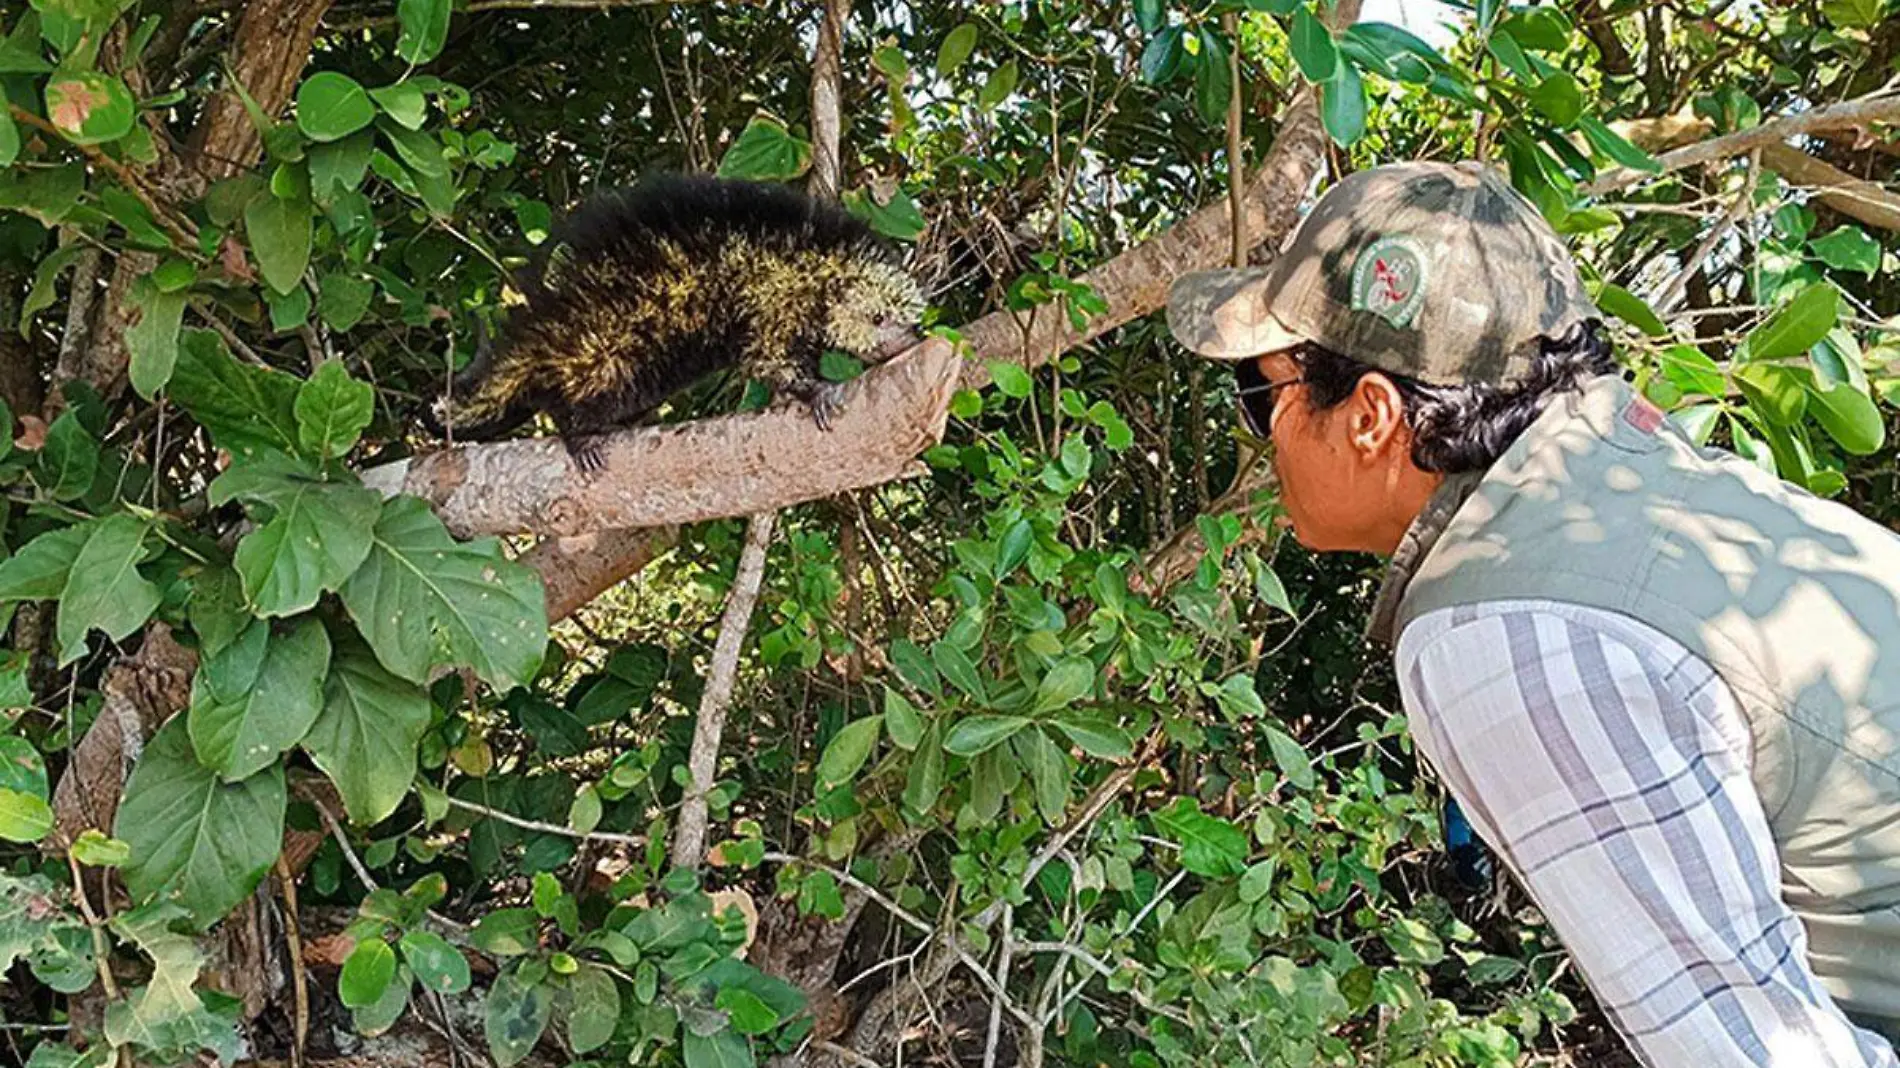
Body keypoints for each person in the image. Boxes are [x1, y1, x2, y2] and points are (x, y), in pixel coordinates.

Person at [1165, 159, 1900, 1067]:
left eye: (1259, 393)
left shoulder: (1505, 628)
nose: (1260, 432)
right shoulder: (1621, 466)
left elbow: (1753, 1049)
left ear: (1370, 418)